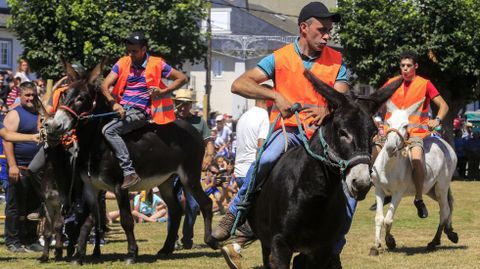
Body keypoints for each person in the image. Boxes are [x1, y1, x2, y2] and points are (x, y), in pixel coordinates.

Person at [213, 2, 353, 267]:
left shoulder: (337, 61)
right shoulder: (278, 58)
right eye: (322, 30)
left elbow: (342, 94)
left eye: (329, 31)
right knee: (265, 161)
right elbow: (238, 84)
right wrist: (274, 95)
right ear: (304, 28)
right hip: (289, 132)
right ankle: (235, 214)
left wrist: (328, 106)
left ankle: (334, 243)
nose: (327, 36)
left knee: (350, 183)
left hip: (323, 139)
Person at [101, 31, 187, 189]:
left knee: (109, 131)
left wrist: (162, 92)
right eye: (128, 51)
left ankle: (129, 172)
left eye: (134, 51)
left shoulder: (157, 64)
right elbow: (104, 86)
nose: (130, 54)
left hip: (140, 112)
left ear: (143, 49)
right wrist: (113, 103)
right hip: (120, 109)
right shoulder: (122, 63)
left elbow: (182, 78)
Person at [378, 50, 449, 218]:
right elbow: (379, 101)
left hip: (416, 132)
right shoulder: (391, 83)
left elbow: (444, 105)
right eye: (402, 66)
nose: (405, 69)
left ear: (415, 66)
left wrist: (437, 120)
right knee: (373, 150)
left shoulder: (425, 84)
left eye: (409, 66)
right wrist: (380, 119)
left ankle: (418, 198)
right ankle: (379, 188)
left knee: (416, 158)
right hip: (392, 132)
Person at [3, 81, 43, 252]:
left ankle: (31, 239)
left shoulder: (39, 113)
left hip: (37, 170)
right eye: (27, 95)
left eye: (33, 95)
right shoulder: (14, 114)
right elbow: (7, 140)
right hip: (19, 168)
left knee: (33, 206)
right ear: (20, 95)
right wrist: (12, 165)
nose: (30, 98)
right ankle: (13, 240)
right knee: (15, 206)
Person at [171, 88, 211, 249]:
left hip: (191, 170)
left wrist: (208, 157)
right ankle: (172, 240)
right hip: (171, 169)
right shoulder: (169, 121)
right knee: (172, 204)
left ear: (190, 105)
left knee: (193, 205)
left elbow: (209, 142)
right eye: (179, 104)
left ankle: (187, 240)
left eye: (185, 104)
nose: (182, 107)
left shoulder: (199, 122)